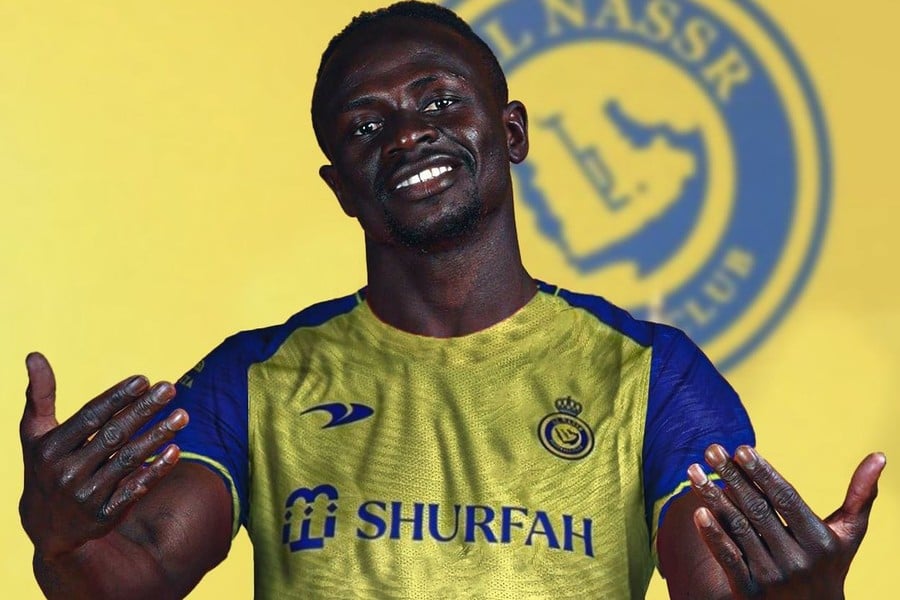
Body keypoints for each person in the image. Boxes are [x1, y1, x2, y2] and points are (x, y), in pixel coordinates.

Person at [19, 2, 885, 599]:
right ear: (340, 186)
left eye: (438, 100)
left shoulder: (652, 376)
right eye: (366, 126)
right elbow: (132, 574)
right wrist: (60, 543)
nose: (407, 133)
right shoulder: (257, 377)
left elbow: (724, 583)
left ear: (510, 132)